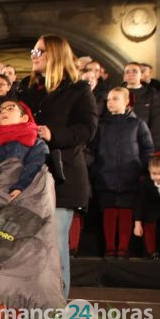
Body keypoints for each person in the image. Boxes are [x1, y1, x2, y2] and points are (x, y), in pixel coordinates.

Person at [19, 34, 98, 298]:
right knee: (28, 243)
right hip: (29, 176)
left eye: (39, 51)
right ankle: (31, 299)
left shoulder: (78, 89)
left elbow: (87, 128)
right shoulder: (25, 88)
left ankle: (56, 302)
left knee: (55, 241)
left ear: (55, 54)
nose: (33, 55)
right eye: (33, 50)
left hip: (63, 176)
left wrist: (54, 134)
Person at [90, 87, 153, 258]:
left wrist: (143, 170)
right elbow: (92, 150)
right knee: (109, 212)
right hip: (105, 175)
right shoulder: (101, 126)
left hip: (130, 176)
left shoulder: (138, 124)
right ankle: (110, 248)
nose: (110, 102)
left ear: (127, 101)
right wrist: (96, 170)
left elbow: (147, 149)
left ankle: (123, 248)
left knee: (126, 213)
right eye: (109, 99)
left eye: (115, 99)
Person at [122, 62, 160, 150]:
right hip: (121, 140)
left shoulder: (151, 94)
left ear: (141, 75)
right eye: (127, 72)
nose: (130, 74)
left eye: (134, 71)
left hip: (142, 140)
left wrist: (154, 147)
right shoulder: (117, 92)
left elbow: (156, 123)